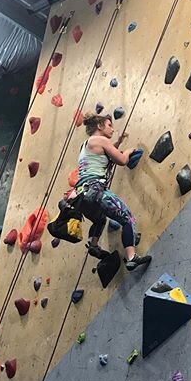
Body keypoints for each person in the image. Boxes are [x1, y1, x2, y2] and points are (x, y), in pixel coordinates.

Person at [74, 113, 150, 271]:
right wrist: (128, 151)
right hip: (96, 190)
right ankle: (131, 257)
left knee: (100, 219)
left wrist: (119, 142)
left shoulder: (86, 145)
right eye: (109, 125)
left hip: (81, 196)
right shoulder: (101, 140)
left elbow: (105, 154)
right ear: (99, 126)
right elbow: (121, 160)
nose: (112, 129)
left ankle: (94, 245)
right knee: (127, 218)